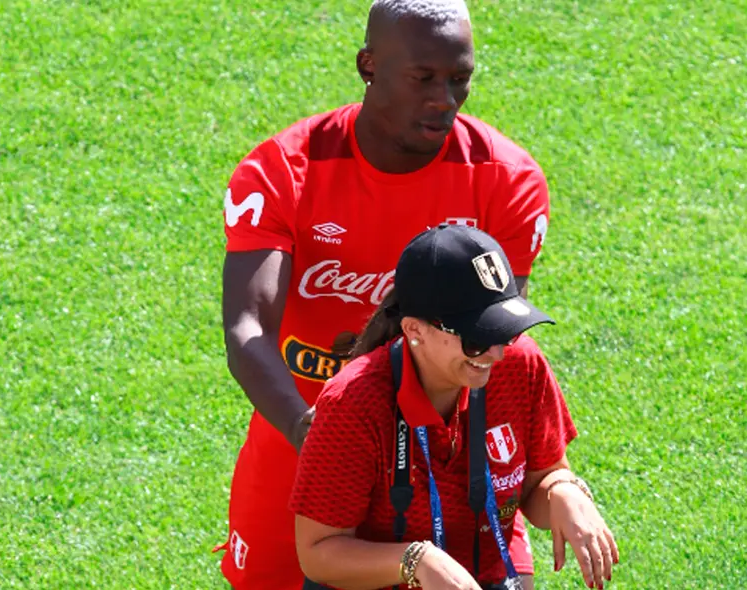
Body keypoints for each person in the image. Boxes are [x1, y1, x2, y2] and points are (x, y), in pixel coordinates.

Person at [217, 0, 552, 587]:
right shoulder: (283, 172)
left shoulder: (505, 179)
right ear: (368, 65)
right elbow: (247, 330)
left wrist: (553, 480)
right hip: (299, 438)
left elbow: (489, 343)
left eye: (459, 79)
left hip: (446, 455)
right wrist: (311, 433)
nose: (445, 99)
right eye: (423, 78)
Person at [291, 225, 619, 590]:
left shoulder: (519, 364)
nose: (496, 354)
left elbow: (537, 481)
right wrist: (416, 561)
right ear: (414, 329)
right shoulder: (353, 404)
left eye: (505, 331)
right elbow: (318, 553)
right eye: (477, 338)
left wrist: (563, 490)